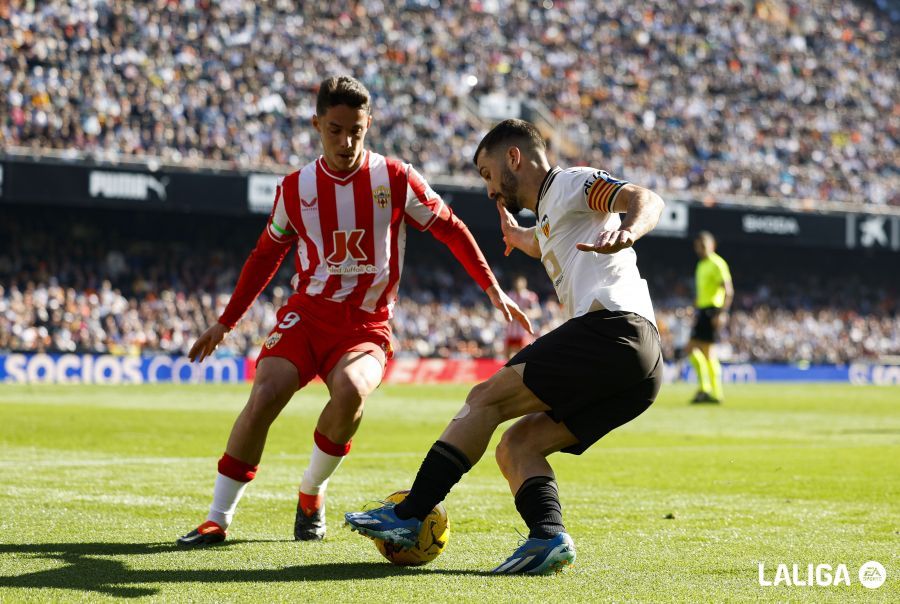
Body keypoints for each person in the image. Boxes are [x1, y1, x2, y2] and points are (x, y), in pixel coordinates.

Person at [176, 76, 530, 547]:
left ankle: (312, 491)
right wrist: (226, 322)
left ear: (369, 125)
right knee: (265, 396)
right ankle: (218, 518)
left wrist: (491, 287)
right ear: (317, 124)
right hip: (307, 315)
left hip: (366, 325)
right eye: (336, 130)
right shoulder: (294, 189)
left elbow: (449, 227)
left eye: (356, 131)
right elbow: (265, 256)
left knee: (352, 392)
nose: (346, 142)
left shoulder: (396, 178)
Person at [344, 119, 665, 574]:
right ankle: (547, 538)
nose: (490, 189)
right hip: (641, 372)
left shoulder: (571, 183)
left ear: (514, 157)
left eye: (488, 174)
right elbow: (547, 240)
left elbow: (645, 199)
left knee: (484, 399)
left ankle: (408, 514)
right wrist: (518, 237)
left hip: (614, 330)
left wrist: (629, 229)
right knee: (518, 445)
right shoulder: (555, 213)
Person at [687, 231, 733, 404]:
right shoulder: (701, 265)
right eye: (699, 246)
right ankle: (706, 390)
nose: (701, 249)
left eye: (704, 246)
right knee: (693, 350)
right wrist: (695, 308)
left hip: (712, 311)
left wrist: (722, 314)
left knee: (707, 352)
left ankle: (714, 392)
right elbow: (702, 292)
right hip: (703, 311)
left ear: (712, 246)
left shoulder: (717, 263)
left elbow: (728, 291)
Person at [504, 275, 540, 357]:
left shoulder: (530, 296)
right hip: (510, 332)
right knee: (507, 358)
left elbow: (537, 312)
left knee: (521, 358)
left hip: (523, 333)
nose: (518, 284)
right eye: (516, 282)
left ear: (524, 283)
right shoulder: (509, 295)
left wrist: (526, 314)